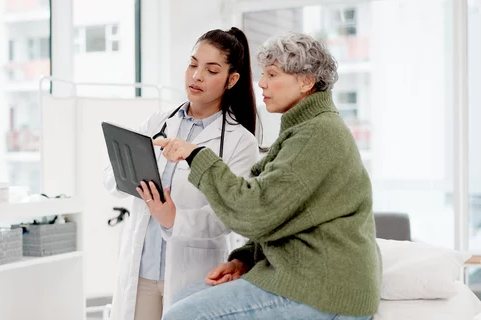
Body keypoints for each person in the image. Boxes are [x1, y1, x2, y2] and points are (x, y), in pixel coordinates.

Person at [155, 32, 382, 320]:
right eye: (263, 74)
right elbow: (281, 214)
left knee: (183, 315)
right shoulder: (304, 130)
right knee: (184, 298)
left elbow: (255, 212)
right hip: (304, 278)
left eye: (272, 74)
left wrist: (196, 156)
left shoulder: (317, 135)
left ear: (306, 81)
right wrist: (245, 259)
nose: (261, 83)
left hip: (324, 288)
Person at [103, 27, 261, 320]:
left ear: (232, 79)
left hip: (192, 270)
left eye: (211, 70)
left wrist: (173, 219)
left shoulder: (241, 143)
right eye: (192, 64)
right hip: (140, 270)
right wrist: (134, 160)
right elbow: (110, 179)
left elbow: (229, 215)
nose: (196, 75)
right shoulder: (159, 122)